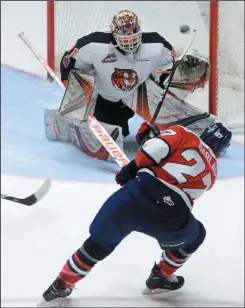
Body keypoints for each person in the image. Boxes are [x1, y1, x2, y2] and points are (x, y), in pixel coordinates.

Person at [42, 121, 232, 302]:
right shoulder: (213, 172)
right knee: (197, 234)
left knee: (98, 244)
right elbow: (183, 186)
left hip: (135, 196)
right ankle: (161, 277)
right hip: (170, 214)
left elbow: (156, 149)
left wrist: (132, 169)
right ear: (221, 151)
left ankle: (62, 283)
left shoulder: (184, 133)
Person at [60, 9, 175, 138]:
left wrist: (170, 85)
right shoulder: (94, 43)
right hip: (106, 96)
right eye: (125, 39)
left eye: (133, 38)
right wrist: (75, 94)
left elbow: (169, 65)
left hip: (139, 93)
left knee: (168, 96)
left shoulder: (156, 44)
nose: (129, 43)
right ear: (113, 34)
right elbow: (68, 63)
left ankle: (164, 128)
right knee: (118, 133)